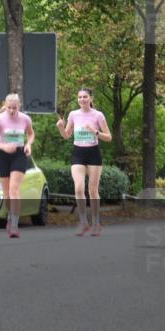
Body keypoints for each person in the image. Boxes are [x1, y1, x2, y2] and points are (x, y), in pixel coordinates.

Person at [56, 87, 112, 236]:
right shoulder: (73, 114)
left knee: (93, 191)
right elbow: (66, 135)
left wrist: (95, 131)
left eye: (85, 97)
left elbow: (109, 137)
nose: (82, 99)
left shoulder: (98, 115)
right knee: (79, 189)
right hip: (78, 154)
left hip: (93, 153)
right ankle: (83, 223)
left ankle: (96, 223)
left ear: (91, 99)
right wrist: (61, 128)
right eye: (80, 97)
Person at [0, 93, 34, 238]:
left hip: (19, 155)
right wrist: (3, 146)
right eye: (9, 108)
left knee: (14, 190)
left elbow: (31, 134)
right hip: (3, 155)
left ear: (19, 106)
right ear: (5, 106)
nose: (12, 111)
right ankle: (10, 216)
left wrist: (28, 145)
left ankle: (14, 226)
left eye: (14, 108)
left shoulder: (25, 119)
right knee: (7, 195)